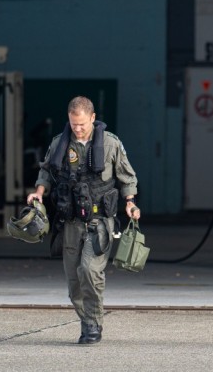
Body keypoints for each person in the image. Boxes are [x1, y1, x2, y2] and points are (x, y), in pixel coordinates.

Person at [27, 96, 140, 344]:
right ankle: (87, 320)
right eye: (73, 123)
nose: (77, 128)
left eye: (82, 124)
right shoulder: (59, 143)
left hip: (99, 222)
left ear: (92, 117)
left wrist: (130, 202)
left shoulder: (110, 144)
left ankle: (93, 323)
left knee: (89, 270)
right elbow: (46, 172)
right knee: (74, 282)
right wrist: (39, 192)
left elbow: (127, 176)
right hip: (70, 222)